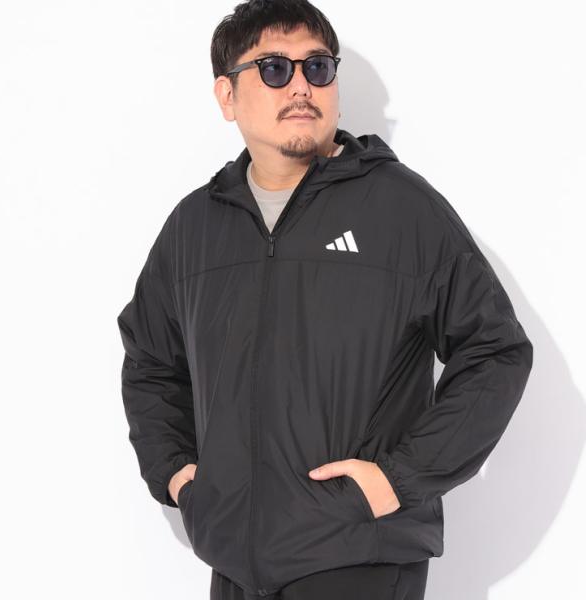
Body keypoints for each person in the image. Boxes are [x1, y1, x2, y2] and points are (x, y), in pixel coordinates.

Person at [116, 1, 534, 599]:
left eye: (317, 67)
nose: (301, 87)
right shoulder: (195, 227)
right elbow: (150, 361)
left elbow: (495, 351)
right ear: (227, 95)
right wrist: (178, 475)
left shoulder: (400, 209)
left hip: (357, 555)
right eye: (274, 69)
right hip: (234, 563)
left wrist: (398, 479)